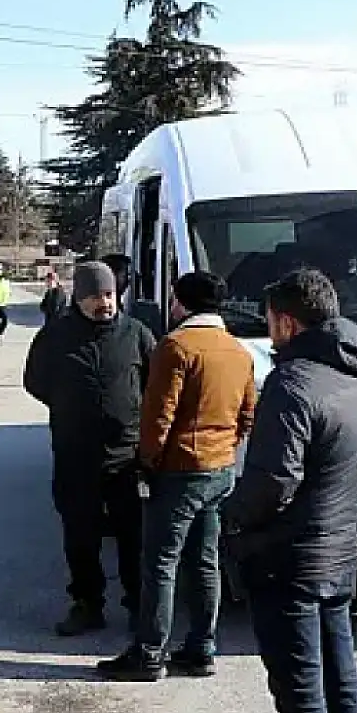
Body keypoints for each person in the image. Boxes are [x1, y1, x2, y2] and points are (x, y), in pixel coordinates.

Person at [224, 269, 357, 713]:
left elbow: (273, 480)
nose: (268, 335)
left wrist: (232, 517)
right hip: (337, 553)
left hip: (287, 561)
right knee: (341, 687)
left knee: (303, 702)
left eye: (269, 322)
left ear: (287, 322)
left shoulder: (292, 383)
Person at [97, 272, 257, 682]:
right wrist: (225, 447)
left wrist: (148, 461)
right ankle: (202, 648)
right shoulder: (238, 351)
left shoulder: (177, 346)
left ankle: (149, 652)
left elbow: (158, 414)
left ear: (182, 303)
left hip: (181, 468)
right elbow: (247, 414)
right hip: (219, 468)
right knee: (205, 561)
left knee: (161, 562)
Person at [23, 261, 156, 636]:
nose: (105, 303)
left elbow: (155, 380)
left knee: (132, 536)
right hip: (75, 454)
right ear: (79, 298)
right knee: (80, 534)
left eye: (110, 294)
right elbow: (35, 382)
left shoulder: (135, 333)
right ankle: (87, 602)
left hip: (126, 455)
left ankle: (138, 603)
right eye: (96, 296)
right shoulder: (55, 336)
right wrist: (70, 406)